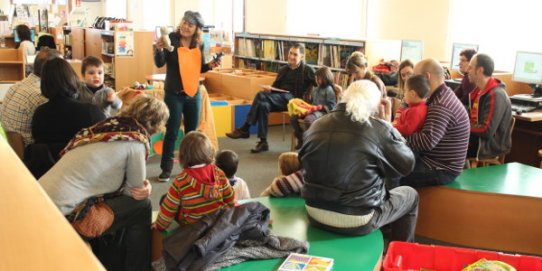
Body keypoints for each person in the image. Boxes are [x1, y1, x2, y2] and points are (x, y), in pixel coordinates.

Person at [39, 95, 169, 271]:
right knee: (142, 206)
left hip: (39, 199)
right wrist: (146, 188)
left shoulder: (105, 128)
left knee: (123, 207)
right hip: (65, 214)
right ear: (157, 125)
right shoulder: (136, 141)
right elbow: (134, 192)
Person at [299, 80, 418, 242]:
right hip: (357, 219)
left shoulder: (316, 124)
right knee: (411, 195)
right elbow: (407, 165)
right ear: (375, 106)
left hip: (313, 212)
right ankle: (399, 258)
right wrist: (389, 127)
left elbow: (302, 160)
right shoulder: (379, 128)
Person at [154, 11, 221, 182]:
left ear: (197, 29)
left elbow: (199, 68)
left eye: (190, 25)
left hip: (193, 93)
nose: (185, 26)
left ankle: (192, 167)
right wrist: (159, 49)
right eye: (184, 22)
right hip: (174, 93)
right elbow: (160, 63)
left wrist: (211, 65)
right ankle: (166, 169)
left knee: (193, 133)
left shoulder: (199, 44)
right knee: (172, 131)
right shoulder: (171, 38)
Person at [226, 43, 316, 153]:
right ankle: (263, 142)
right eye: (290, 53)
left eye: (295, 55)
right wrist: (270, 89)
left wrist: (333, 86)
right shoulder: (283, 69)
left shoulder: (307, 70)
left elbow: (319, 82)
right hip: (280, 99)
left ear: (302, 57)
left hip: (295, 101)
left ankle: (245, 128)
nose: (291, 56)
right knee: (263, 105)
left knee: (261, 96)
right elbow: (275, 87)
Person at [399, 58, 470, 187]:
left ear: (427, 77)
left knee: (391, 174)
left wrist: (397, 136)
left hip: (440, 169)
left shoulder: (440, 104)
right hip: (435, 162)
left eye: (415, 76)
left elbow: (426, 141)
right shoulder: (442, 94)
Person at [154, 131, 235, 232]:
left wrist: (158, 226)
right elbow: (230, 199)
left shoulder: (181, 181)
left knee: (165, 199)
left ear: (182, 156)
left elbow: (168, 211)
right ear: (210, 152)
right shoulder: (219, 173)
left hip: (193, 228)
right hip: (216, 223)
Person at [31, 57, 106, 160]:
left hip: (47, 171)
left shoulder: (39, 114)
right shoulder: (90, 112)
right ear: (72, 78)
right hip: (82, 170)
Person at [0, 48, 60, 146]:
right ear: (53, 69)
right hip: (28, 151)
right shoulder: (41, 95)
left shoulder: (15, 86)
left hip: (8, 148)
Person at [466, 53, 512, 160]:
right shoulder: (477, 91)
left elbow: (486, 130)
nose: (467, 70)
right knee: (445, 141)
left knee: (447, 147)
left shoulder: (495, 95)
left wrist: (462, 127)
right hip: (476, 140)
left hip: (487, 146)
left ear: (480, 70)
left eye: (470, 67)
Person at [290, 66, 337, 149]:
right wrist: (304, 107)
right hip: (312, 110)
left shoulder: (329, 89)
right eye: (316, 79)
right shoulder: (316, 89)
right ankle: (301, 137)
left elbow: (332, 106)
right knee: (293, 117)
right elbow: (312, 103)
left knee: (308, 120)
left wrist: (319, 107)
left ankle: (311, 141)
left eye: (319, 79)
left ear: (326, 78)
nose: (317, 81)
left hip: (322, 112)